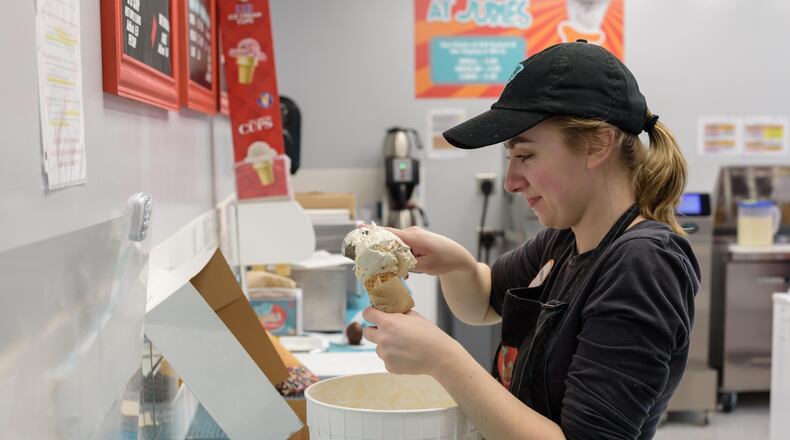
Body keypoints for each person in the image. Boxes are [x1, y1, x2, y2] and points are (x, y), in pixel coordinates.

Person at [362, 40, 700, 440]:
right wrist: (459, 265)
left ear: (598, 144)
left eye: (525, 156)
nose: (510, 182)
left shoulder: (643, 265)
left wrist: (444, 360)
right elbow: (485, 300)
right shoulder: (564, 239)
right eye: (510, 159)